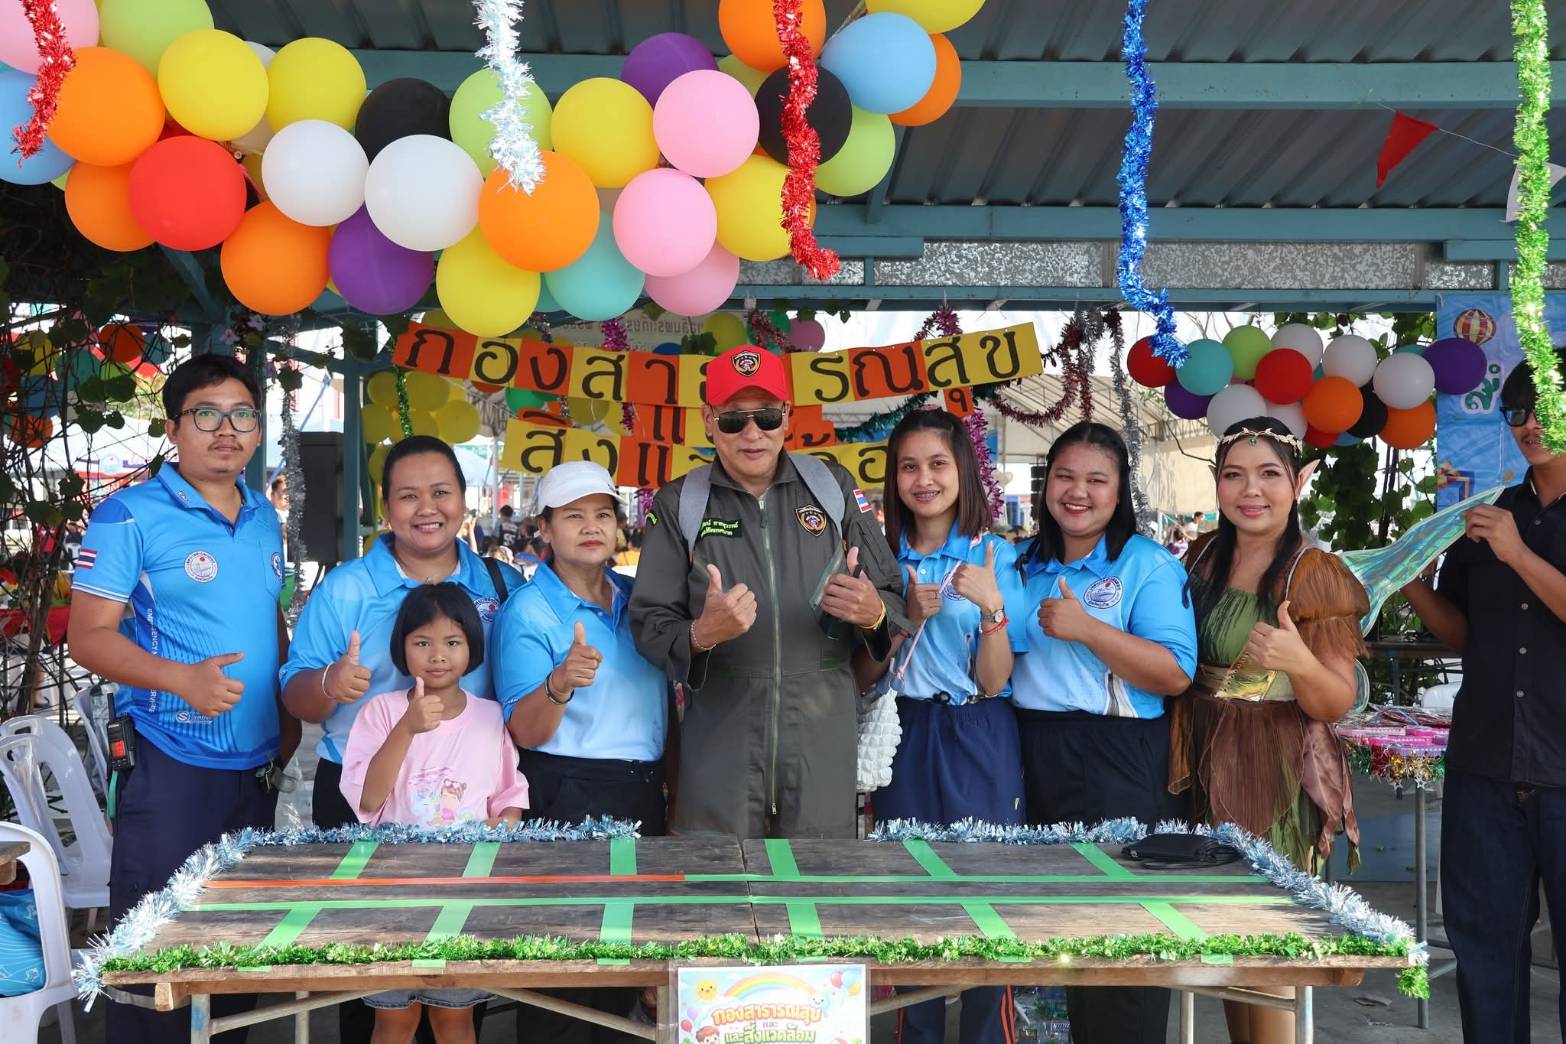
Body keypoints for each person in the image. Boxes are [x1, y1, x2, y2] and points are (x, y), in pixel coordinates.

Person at [67, 353, 301, 1044]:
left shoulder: (261, 515)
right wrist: (181, 679)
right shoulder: (128, 517)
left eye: (242, 415)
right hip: (171, 760)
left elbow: (268, 617)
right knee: (157, 959)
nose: (226, 430)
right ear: (173, 427)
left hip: (255, 767)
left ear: (257, 429)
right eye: (206, 414)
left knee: (235, 954)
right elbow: (87, 637)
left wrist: (287, 713)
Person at [280, 434, 523, 1044]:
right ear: (386, 506)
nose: (427, 508)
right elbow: (293, 692)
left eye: (441, 492)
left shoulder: (500, 584)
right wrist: (330, 683)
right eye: (408, 495)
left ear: (464, 499)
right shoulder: (346, 589)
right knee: (374, 994)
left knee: (455, 993)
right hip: (363, 798)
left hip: (461, 808)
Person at [631, 345, 905, 838]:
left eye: (767, 416)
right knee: (719, 878)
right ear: (709, 421)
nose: (752, 432)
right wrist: (700, 634)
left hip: (821, 739)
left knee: (818, 879)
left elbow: (891, 595)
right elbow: (649, 623)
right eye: (734, 419)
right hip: (721, 744)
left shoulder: (832, 488)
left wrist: (873, 614)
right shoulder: (680, 504)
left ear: (788, 417)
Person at [1167, 417, 1366, 1044]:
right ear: (1217, 483)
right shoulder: (1203, 554)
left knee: (1268, 946)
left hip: (1273, 767)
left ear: (1299, 481)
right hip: (1203, 754)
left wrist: (1297, 661)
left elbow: (1336, 701)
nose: (1251, 490)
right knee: (1226, 947)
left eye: (1269, 474)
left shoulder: (1313, 571)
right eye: (1234, 475)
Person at [1009, 421, 1196, 1044]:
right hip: (1035, 751)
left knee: (1122, 935)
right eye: (1064, 476)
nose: (1078, 492)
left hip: (1119, 758)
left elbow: (1175, 673)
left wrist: (1089, 629)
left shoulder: (1147, 564)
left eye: (1096, 479)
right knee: (1057, 931)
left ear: (1120, 491)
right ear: (1046, 487)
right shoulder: (1024, 563)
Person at [1401, 358, 1566, 1044]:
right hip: (1485, 765)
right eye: (1516, 412)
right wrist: (1411, 581)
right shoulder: (1489, 515)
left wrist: (1519, 555)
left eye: (1545, 408)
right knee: (1485, 959)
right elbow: (1466, 634)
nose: (1530, 425)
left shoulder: (1503, 533)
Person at [857, 409, 1027, 1044]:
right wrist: (900, 615)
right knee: (909, 898)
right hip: (903, 734)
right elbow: (862, 670)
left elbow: (994, 680)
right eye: (909, 466)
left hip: (978, 729)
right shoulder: (879, 558)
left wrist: (992, 607)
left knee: (987, 898)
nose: (923, 479)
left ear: (963, 472)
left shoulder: (993, 554)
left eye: (937, 464)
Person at [493, 462, 670, 1044]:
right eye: (573, 516)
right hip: (564, 794)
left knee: (625, 970)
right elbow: (524, 732)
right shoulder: (528, 610)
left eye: (602, 514)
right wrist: (560, 682)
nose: (591, 527)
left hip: (642, 793)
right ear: (545, 528)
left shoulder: (639, 600)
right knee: (564, 976)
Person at [341, 582, 528, 1043]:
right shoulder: (382, 713)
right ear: (402, 648)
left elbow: (510, 797)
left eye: (452, 642)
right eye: (422, 642)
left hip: (465, 894)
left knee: (454, 1019)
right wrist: (407, 728)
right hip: (393, 894)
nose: (438, 655)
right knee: (394, 1020)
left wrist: (503, 824)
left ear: (472, 648)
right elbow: (368, 800)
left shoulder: (489, 717)